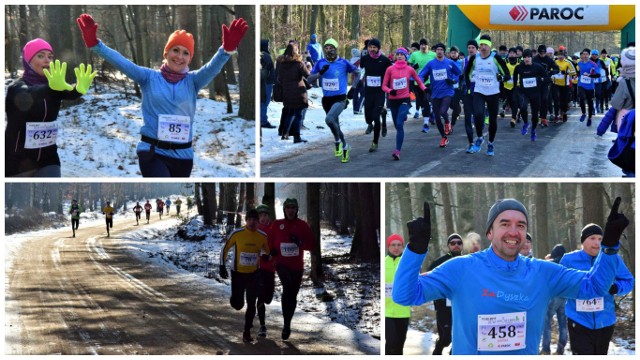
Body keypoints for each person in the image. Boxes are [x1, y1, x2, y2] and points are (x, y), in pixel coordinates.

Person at [393, 198, 629, 355]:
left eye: (521, 225)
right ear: (490, 231)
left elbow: (594, 286)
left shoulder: (542, 272)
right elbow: (405, 295)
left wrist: (609, 247)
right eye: (505, 224)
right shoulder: (461, 268)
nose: (514, 232)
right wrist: (415, 250)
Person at [76, 14, 248, 177]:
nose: (180, 56)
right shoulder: (148, 77)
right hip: (153, 152)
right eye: (175, 50)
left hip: (183, 156)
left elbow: (212, 67)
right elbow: (122, 62)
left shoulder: (193, 81)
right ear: (166, 53)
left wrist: (226, 50)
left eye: (186, 53)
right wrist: (95, 45)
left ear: (190, 58)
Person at [6, 38, 96, 177]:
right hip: (17, 162)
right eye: (40, 56)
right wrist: (50, 87)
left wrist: (79, 89)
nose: (47, 60)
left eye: (50, 56)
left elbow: (70, 94)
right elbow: (27, 95)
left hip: (48, 159)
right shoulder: (16, 87)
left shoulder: (55, 86)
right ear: (28, 61)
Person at [559, 223, 634, 355]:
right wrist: (574, 290)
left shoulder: (612, 258)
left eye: (600, 239)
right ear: (583, 241)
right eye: (592, 238)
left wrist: (616, 288)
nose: (597, 243)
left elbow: (629, 281)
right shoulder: (569, 259)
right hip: (578, 321)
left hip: (605, 322)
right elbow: (560, 284)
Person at [267, 198, 315, 340]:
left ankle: (287, 323)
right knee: (287, 288)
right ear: (284, 209)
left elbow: (311, 245)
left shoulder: (302, 225)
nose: (290, 210)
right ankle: (286, 324)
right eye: (288, 207)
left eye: (293, 207)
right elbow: (269, 240)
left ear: (296, 209)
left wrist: (299, 242)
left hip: (297, 266)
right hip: (281, 264)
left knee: (292, 295)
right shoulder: (277, 224)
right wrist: (272, 251)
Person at [219, 209, 270, 343]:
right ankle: (235, 299)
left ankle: (247, 331)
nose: (252, 222)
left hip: (254, 274)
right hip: (237, 274)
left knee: (251, 303)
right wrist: (221, 265)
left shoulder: (262, 236)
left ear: (258, 222)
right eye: (250, 219)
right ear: (246, 220)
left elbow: (267, 251)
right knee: (238, 305)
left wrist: (267, 256)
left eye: (255, 219)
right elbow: (225, 249)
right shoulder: (237, 233)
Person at [307, 39, 360, 163]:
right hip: (327, 99)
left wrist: (353, 88)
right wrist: (320, 73)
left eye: (331, 48)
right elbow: (309, 80)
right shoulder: (320, 63)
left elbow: (357, 73)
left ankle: (341, 144)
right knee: (333, 124)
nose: (328, 50)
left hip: (340, 98)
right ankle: (341, 143)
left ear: (336, 49)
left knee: (329, 119)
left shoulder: (343, 62)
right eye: (326, 48)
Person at [464, 35, 510, 155]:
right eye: (481, 45)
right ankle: (480, 137)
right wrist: (469, 86)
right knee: (478, 114)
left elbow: (507, 74)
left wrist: (502, 77)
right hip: (479, 91)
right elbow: (467, 73)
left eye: (485, 45)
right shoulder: (475, 58)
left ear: (489, 46)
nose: (483, 47)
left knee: (493, 121)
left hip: (493, 92)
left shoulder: (496, 58)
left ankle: (490, 143)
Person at [382, 47, 427, 160]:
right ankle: (402, 117)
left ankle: (397, 151)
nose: (400, 56)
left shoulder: (410, 69)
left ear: (406, 56)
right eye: (398, 54)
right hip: (393, 100)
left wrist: (425, 89)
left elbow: (418, 81)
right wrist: (390, 91)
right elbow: (384, 86)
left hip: (404, 99)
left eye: (402, 54)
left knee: (398, 123)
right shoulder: (390, 69)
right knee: (398, 125)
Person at [418, 43, 461, 148]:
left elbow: (459, 73)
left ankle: (447, 122)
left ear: (444, 51)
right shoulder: (431, 64)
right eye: (438, 49)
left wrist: (453, 80)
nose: (439, 51)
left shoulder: (449, 62)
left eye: (441, 49)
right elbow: (420, 75)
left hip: (448, 91)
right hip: (435, 93)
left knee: (443, 111)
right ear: (435, 51)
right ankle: (444, 138)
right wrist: (423, 84)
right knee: (437, 117)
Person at [427, 233, 463, 355]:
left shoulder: (467, 262)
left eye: (459, 243)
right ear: (448, 246)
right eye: (453, 243)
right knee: (446, 339)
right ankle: (438, 350)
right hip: (443, 307)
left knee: (459, 339)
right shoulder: (439, 263)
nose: (456, 245)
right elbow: (428, 280)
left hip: (461, 306)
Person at [360, 38, 392, 152]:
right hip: (368, 91)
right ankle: (381, 114)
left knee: (375, 117)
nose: (372, 49)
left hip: (380, 92)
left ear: (378, 48)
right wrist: (357, 85)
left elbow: (391, 73)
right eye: (370, 47)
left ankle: (375, 142)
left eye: (374, 47)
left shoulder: (384, 60)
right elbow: (362, 72)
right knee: (368, 118)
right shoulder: (364, 59)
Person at [276, 43, 310, 143]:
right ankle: (297, 137)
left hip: (287, 91)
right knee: (298, 114)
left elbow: (279, 78)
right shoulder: (299, 64)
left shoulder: (282, 64)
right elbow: (308, 75)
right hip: (299, 92)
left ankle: (285, 133)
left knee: (290, 113)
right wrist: (308, 67)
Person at [512, 49, 547, 141]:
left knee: (535, 115)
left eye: (528, 57)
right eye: (525, 57)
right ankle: (526, 123)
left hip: (536, 93)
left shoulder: (538, 67)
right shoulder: (519, 67)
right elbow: (515, 75)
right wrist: (515, 86)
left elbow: (547, 78)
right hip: (524, 93)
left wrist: (541, 80)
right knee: (523, 107)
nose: (527, 59)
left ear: (532, 58)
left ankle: (533, 130)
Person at [540, 244, 568, 355]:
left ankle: (546, 349)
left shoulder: (550, 263)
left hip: (552, 296)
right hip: (565, 296)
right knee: (562, 323)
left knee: (546, 322)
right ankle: (561, 348)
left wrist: (548, 259)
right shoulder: (568, 263)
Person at [385, 234, 410, 355]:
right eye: (393, 245)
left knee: (399, 345)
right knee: (391, 343)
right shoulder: (384, 263)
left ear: (403, 246)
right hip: (387, 312)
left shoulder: (407, 264)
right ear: (388, 247)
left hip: (403, 311)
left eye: (399, 245)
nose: (396, 248)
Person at [255, 204, 275, 337]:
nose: (263, 218)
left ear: (269, 216)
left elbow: (277, 246)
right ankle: (262, 325)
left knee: (268, 298)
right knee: (261, 296)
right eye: (260, 215)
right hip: (258, 268)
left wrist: (271, 254)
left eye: (265, 215)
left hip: (270, 268)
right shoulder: (254, 229)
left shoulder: (273, 229)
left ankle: (263, 302)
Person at [408, 38, 436, 130]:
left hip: (429, 82)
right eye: (422, 45)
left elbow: (438, 64)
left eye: (425, 44)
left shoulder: (433, 55)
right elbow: (407, 66)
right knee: (423, 102)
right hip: (417, 82)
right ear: (420, 46)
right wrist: (413, 67)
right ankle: (431, 113)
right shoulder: (414, 54)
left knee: (426, 99)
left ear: (428, 46)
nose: (423, 46)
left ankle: (426, 123)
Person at [532, 45, 559, 127]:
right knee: (537, 100)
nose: (542, 54)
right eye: (541, 53)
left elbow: (556, 69)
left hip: (546, 82)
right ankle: (538, 117)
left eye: (544, 53)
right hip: (536, 82)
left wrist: (551, 73)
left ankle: (543, 118)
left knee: (545, 99)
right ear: (538, 52)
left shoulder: (548, 59)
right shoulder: (535, 59)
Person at [576, 48, 600, 126]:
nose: (585, 56)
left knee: (590, 102)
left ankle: (590, 118)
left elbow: (598, 75)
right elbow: (578, 72)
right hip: (581, 84)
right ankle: (583, 113)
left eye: (586, 54)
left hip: (590, 86)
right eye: (584, 54)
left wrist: (590, 75)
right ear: (582, 55)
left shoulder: (593, 64)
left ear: (589, 55)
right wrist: (576, 75)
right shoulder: (579, 63)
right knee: (581, 98)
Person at [552, 46, 577, 123]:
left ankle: (564, 112)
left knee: (563, 100)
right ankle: (556, 115)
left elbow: (574, 72)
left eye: (561, 55)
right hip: (555, 83)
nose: (560, 57)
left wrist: (566, 73)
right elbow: (550, 70)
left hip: (564, 85)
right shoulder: (554, 62)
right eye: (559, 55)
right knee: (556, 99)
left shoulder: (568, 62)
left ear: (564, 56)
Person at [260, 39, 277, 129]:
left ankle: (262, 119)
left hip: (266, 82)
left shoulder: (263, 55)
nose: (269, 46)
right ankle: (263, 120)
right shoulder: (265, 56)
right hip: (266, 83)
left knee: (263, 101)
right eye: (268, 45)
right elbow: (265, 71)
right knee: (264, 101)